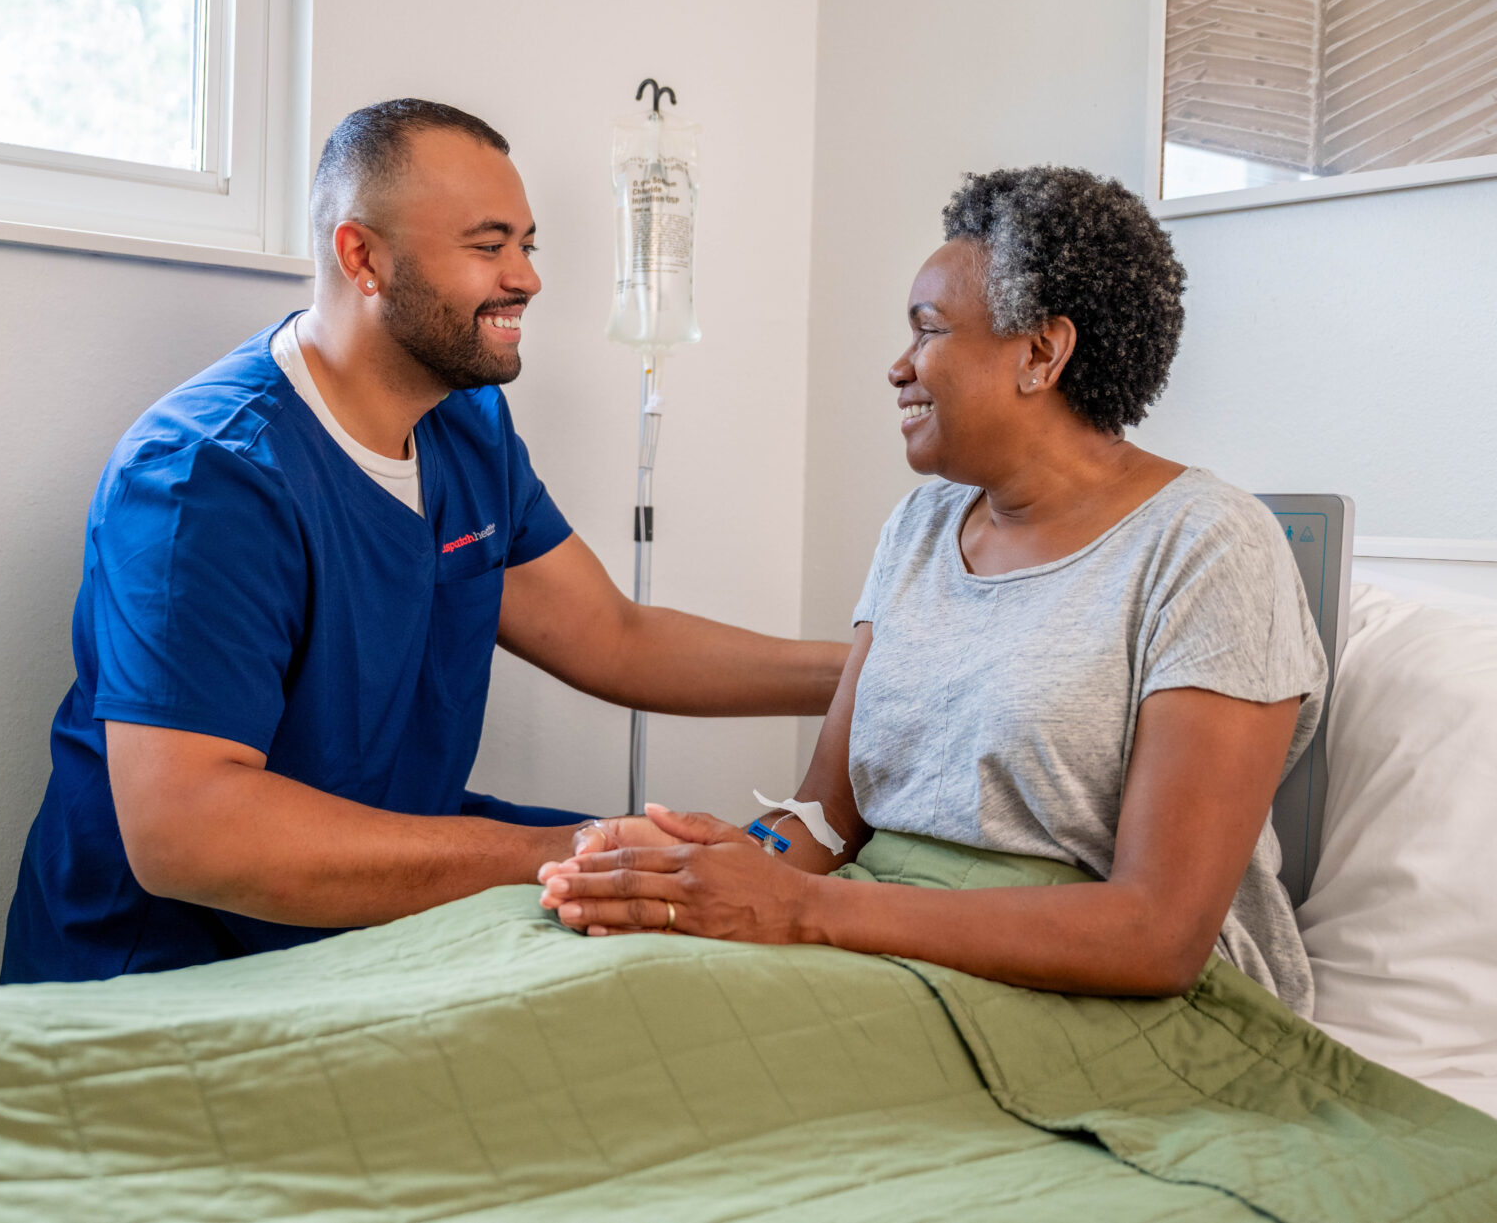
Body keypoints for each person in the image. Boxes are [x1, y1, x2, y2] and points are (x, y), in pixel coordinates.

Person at [1, 100, 849, 983]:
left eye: (529, 243)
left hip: (370, 928)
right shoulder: (205, 476)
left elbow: (615, 636)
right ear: (361, 256)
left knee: (688, 903)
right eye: (489, 247)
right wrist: (568, 848)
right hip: (169, 966)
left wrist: (869, 671)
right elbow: (188, 835)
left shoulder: (468, 428)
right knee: (624, 872)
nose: (527, 278)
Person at [539, 166, 1330, 1015]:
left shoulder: (1209, 545)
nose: (898, 367)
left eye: (928, 331)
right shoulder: (921, 527)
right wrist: (716, 864)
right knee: (584, 980)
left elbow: (1157, 933)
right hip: (880, 929)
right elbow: (825, 815)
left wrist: (807, 911)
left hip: (1110, 992)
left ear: (1040, 353)